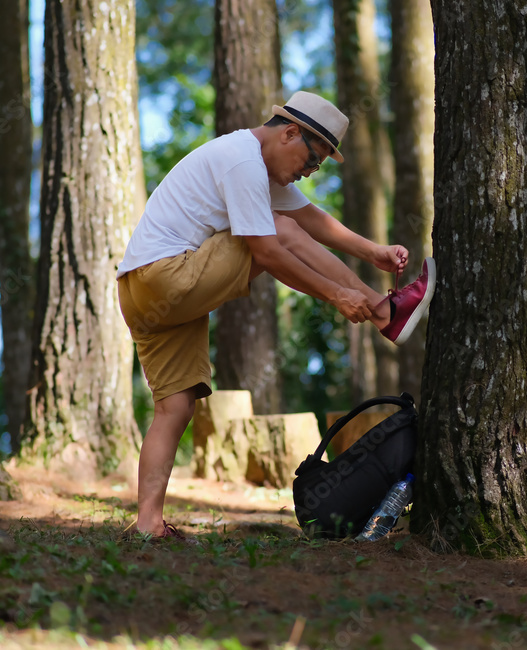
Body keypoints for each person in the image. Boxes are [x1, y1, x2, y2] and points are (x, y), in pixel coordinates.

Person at [117, 91, 435, 539]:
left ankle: (148, 524)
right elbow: (269, 249)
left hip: (142, 292)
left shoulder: (258, 166)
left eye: (318, 167)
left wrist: (374, 251)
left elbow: (311, 218)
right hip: (166, 276)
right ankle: (387, 314)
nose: (309, 172)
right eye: (313, 160)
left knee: (175, 408)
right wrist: (339, 296)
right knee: (276, 230)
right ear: (289, 133)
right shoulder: (242, 161)